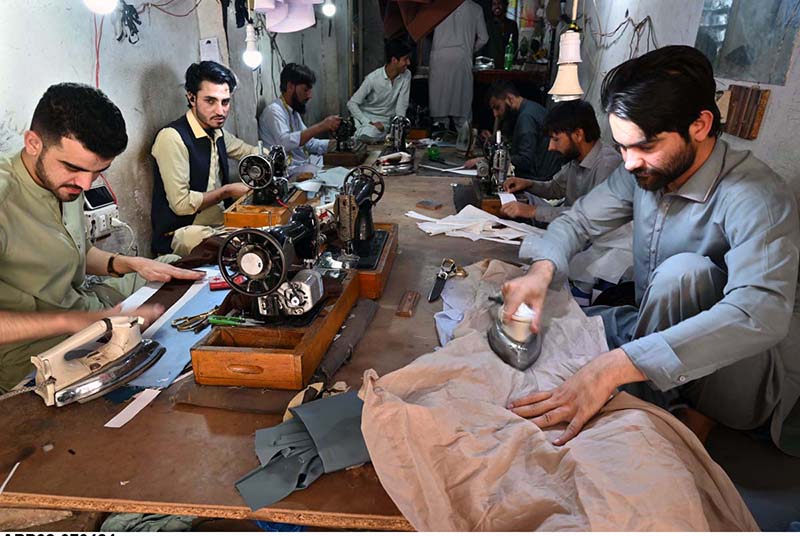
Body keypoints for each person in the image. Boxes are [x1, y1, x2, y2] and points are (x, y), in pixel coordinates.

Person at [501, 45, 800, 455]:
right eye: (622, 148)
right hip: (654, 334)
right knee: (552, 326)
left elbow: (760, 313)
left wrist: (616, 367)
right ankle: (647, 401)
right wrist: (542, 270)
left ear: (700, 124)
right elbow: (576, 221)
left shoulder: (756, 195)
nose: (628, 163)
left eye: (643, 146)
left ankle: (671, 419)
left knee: (686, 273)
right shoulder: (643, 173)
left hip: (736, 376)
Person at [0, 83, 204, 392]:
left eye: (98, 172)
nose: (84, 183)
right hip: (35, 349)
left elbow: (71, 251)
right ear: (32, 143)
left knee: (178, 270)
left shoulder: (63, 182)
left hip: (87, 308)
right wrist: (77, 322)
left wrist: (129, 263)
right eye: (73, 168)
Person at [151, 61, 256, 256]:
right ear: (191, 98)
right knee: (244, 254)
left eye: (225, 102)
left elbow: (250, 152)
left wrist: (275, 157)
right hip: (181, 232)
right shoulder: (172, 137)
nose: (220, 111)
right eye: (210, 101)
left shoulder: (217, 133)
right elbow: (181, 205)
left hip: (219, 227)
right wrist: (227, 191)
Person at [500, 99, 621, 223]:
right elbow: (555, 188)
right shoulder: (576, 158)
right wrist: (528, 184)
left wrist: (532, 211)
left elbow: (591, 214)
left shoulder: (607, 164)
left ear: (578, 135)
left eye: (556, 139)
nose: (551, 147)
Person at [465, 81, 563, 179]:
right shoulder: (532, 108)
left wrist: (487, 160)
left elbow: (525, 159)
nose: (495, 114)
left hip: (537, 178)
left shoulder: (526, 117)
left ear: (510, 98)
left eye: (497, 107)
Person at [259, 63, 341, 174]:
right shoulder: (273, 111)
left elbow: (309, 144)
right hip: (286, 172)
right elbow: (285, 143)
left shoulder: (293, 111)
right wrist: (322, 126)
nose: (309, 96)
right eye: (305, 90)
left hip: (302, 164)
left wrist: (335, 144)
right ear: (290, 87)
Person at [428, 0, 488, 130]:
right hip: (462, 58)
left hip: (439, 58)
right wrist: (469, 50)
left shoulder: (437, 5)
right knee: (462, 107)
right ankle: (465, 143)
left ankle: (439, 137)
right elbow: (484, 38)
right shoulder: (475, 8)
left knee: (440, 108)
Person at [347, 39, 412, 143]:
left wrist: (398, 128)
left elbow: (402, 105)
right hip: (366, 119)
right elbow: (351, 103)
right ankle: (357, 134)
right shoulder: (373, 78)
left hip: (385, 122)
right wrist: (368, 122)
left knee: (384, 135)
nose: (408, 63)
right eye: (405, 59)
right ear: (394, 60)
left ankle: (359, 135)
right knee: (370, 134)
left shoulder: (406, 75)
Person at [479, 0, 519, 69]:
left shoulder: (512, 25)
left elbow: (515, 46)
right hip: (490, 68)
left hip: (507, 67)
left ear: (505, 5)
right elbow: (481, 48)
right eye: (494, 4)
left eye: (499, 3)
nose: (497, 7)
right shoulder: (487, 25)